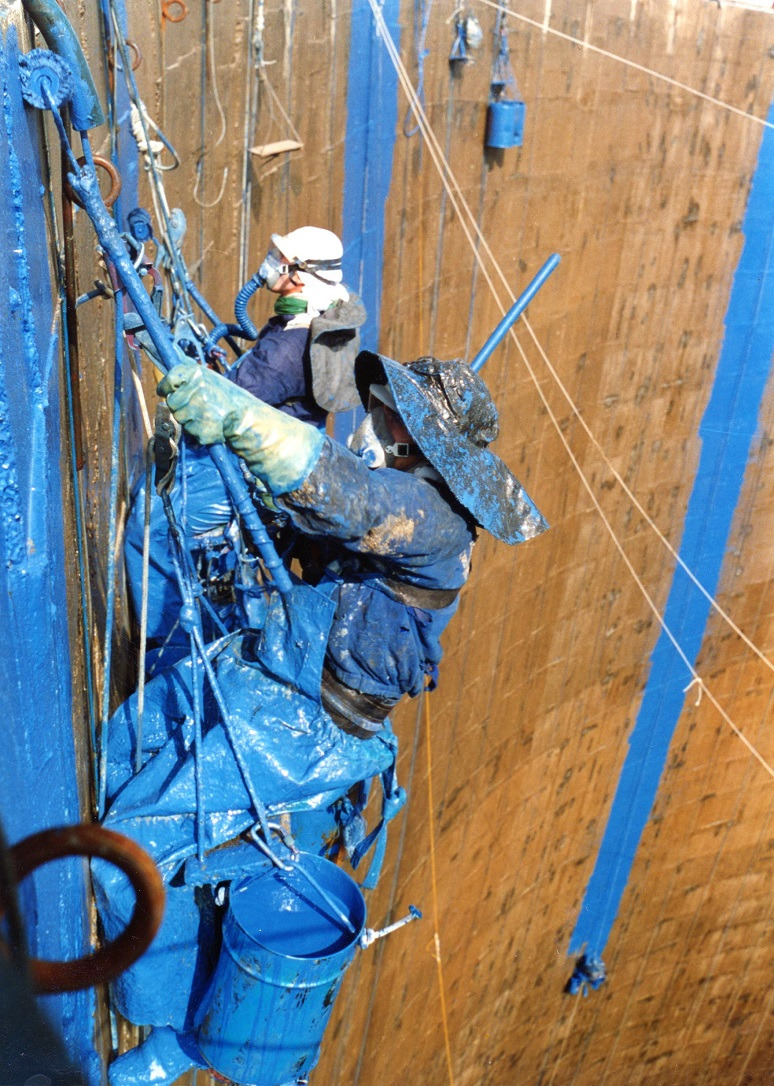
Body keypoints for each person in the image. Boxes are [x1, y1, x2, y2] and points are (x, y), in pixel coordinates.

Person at [98, 349, 547, 1083]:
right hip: (266, 669)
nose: (373, 417)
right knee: (125, 745)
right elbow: (320, 520)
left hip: (306, 725)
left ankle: (179, 1027)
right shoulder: (405, 493)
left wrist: (239, 416)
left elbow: (346, 496)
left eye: (388, 411)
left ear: (416, 437)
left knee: (127, 848)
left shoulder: (433, 523)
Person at [226, 225, 366, 427]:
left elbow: (226, 401)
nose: (271, 262)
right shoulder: (326, 318)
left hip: (268, 443)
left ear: (299, 275)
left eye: (280, 258)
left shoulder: (287, 347)